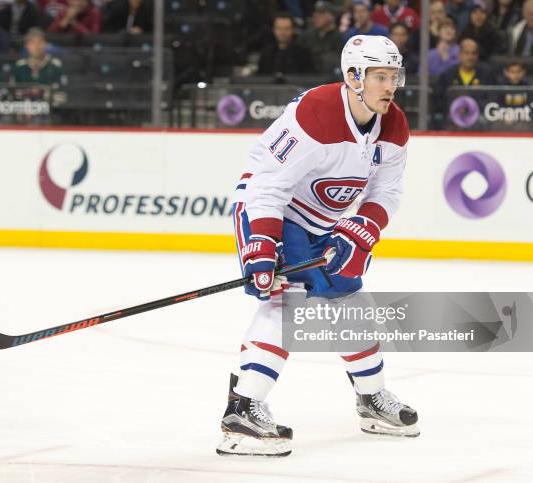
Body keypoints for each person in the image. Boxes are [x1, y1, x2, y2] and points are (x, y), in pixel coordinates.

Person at [218, 35, 419, 457]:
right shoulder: (315, 113)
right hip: (270, 209)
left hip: (325, 220)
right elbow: (269, 185)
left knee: (352, 302)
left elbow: (388, 192)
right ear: (353, 77)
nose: (390, 86)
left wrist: (364, 227)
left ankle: (370, 400)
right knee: (284, 303)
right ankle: (243, 410)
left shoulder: (394, 124)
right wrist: (262, 243)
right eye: (379, 76)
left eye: (393, 76)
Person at [298, 1, 343, 73]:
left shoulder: (339, 37)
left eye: (321, 13)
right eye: (315, 12)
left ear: (332, 16)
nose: (316, 16)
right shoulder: (306, 36)